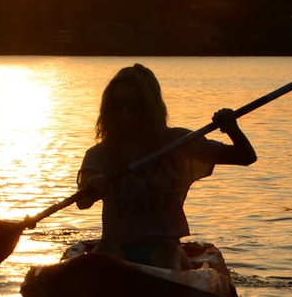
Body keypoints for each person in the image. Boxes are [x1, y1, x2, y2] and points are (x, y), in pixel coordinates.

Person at [75, 63, 256, 271]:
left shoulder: (180, 143)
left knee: (166, 250)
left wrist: (232, 128)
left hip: (168, 252)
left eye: (134, 107)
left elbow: (245, 156)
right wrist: (92, 186)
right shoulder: (100, 154)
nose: (125, 113)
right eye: (118, 106)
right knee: (105, 247)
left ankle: (167, 285)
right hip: (118, 250)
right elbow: (83, 200)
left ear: (150, 107)